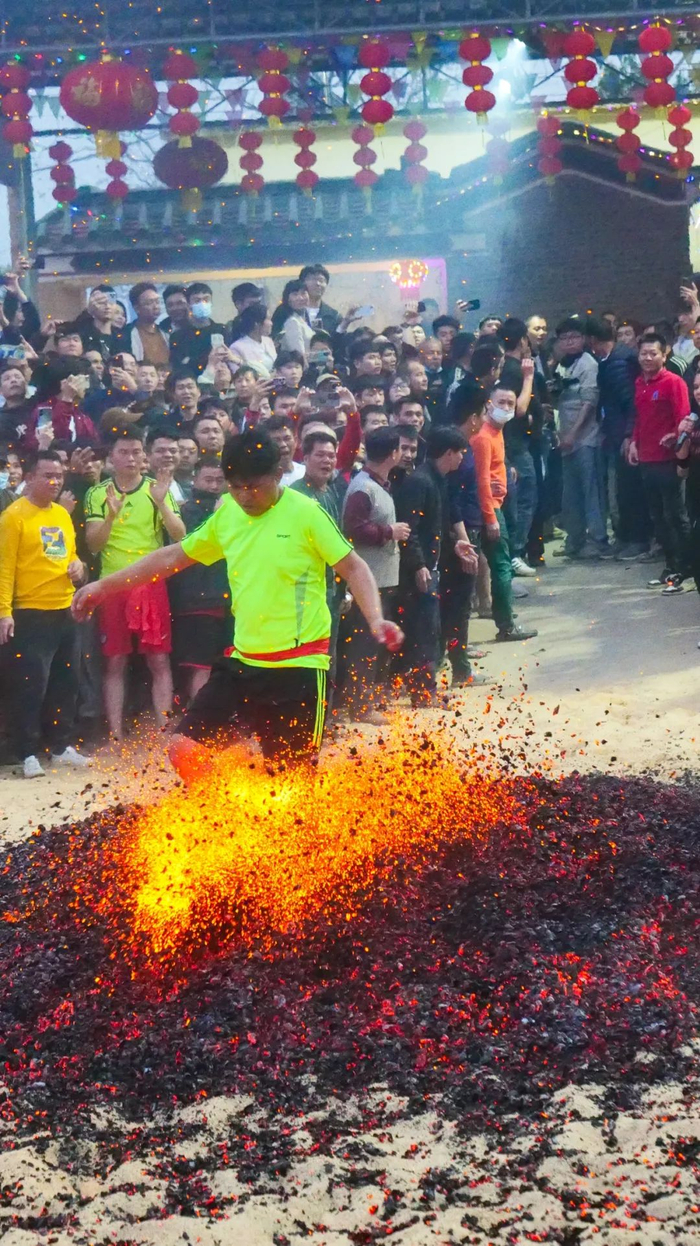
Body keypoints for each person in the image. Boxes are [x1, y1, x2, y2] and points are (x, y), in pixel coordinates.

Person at [73, 430, 401, 774]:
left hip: (299, 668)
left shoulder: (306, 513)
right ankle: (227, 817)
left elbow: (354, 567)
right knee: (184, 749)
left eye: (253, 486)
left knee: (291, 781)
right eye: (236, 486)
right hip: (243, 663)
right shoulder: (228, 513)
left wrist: (375, 619)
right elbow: (171, 557)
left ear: (277, 474)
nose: (244, 495)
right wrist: (103, 587)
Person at [84, 424, 185, 740]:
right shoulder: (99, 493)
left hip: (151, 583)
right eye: (123, 452)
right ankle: (115, 733)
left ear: (144, 456)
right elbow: (94, 546)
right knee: (114, 661)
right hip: (112, 585)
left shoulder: (159, 487)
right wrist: (111, 517)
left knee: (158, 659)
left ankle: (164, 731)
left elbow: (181, 537)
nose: (131, 458)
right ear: (111, 458)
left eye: (136, 452)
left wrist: (161, 503)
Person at [0, 450, 89, 778]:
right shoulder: (13, 517)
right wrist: (4, 612)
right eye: (47, 475)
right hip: (30, 613)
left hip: (64, 609)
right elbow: (4, 567)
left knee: (67, 682)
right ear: (30, 477)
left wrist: (78, 567)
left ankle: (61, 745)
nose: (54, 482)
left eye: (59, 476)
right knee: (30, 686)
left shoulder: (61, 515)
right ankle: (26, 751)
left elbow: (70, 553)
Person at [395, 426, 476, 705]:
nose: (462, 460)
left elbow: (438, 525)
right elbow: (411, 528)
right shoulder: (420, 482)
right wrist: (418, 564)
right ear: (449, 453)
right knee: (423, 632)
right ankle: (421, 691)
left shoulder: (439, 479)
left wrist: (455, 543)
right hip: (419, 570)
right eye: (460, 454)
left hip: (435, 564)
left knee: (432, 629)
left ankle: (426, 688)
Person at [340, 426, 410, 721]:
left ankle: (367, 697)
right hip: (368, 581)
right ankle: (359, 705)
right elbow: (352, 529)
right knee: (363, 644)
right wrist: (388, 532)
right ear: (393, 453)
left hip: (382, 577)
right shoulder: (362, 488)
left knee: (374, 643)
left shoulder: (378, 483)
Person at [470, 384, 537, 643]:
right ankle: (506, 624)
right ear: (489, 404)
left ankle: (504, 619)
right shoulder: (484, 438)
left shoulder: (496, 432)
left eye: (511, 403)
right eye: (502, 402)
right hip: (489, 509)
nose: (507, 408)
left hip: (496, 504)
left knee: (500, 565)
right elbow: (481, 481)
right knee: (501, 566)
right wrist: (490, 518)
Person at [629, 332, 691, 592]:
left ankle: (687, 571)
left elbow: (685, 418)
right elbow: (640, 419)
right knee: (658, 518)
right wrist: (634, 442)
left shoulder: (673, 382)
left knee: (676, 516)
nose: (647, 358)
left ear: (664, 355)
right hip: (647, 459)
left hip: (668, 459)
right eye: (644, 353)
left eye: (653, 353)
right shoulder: (639, 383)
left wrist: (675, 437)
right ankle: (670, 567)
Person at [169, 455, 230, 701]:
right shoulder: (187, 510)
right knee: (200, 666)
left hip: (227, 599)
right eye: (208, 479)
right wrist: (217, 517)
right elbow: (194, 546)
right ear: (195, 478)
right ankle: (197, 722)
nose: (214, 485)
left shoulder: (232, 506)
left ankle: (221, 722)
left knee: (224, 666)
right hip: (197, 601)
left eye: (219, 480)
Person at [587, 317, 649, 558]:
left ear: (592, 340)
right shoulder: (610, 361)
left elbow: (629, 402)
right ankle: (625, 537)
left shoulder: (619, 363)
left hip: (626, 436)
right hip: (614, 434)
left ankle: (638, 539)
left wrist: (627, 436)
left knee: (630, 489)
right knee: (621, 490)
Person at [444, 386, 489, 684]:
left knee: (462, 601)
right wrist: (462, 538)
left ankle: (459, 657)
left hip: (467, 527)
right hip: (462, 532)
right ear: (473, 417)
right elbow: (453, 500)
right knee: (459, 602)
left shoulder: (463, 444)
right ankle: (460, 668)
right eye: (483, 412)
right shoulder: (454, 447)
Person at [553, 316, 606, 560]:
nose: (569, 342)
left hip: (586, 439)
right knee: (570, 492)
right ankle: (575, 538)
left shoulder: (588, 364)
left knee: (590, 490)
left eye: (573, 337)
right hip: (565, 439)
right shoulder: (562, 364)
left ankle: (598, 539)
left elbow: (589, 403)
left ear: (584, 339)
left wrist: (573, 435)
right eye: (564, 338)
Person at [498, 318, 539, 577]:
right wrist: (529, 379)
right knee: (525, 497)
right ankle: (515, 552)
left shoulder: (505, 367)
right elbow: (519, 409)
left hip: (512, 442)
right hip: (514, 444)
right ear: (522, 340)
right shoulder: (515, 370)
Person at [24, 358, 97, 451]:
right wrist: (66, 399)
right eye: (83, 380)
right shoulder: (44, 411)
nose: (87, 386)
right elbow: (56, 440)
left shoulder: (80, 412)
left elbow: (93, 442)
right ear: (65, 382)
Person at [170, 283, 226, 376]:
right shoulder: (178, 336)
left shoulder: (221, 330)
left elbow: (224, 359)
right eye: (197, 301)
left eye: (206, 299)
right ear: (188, 305)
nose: (202, 304)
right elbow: (179, 366)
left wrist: (191, 360)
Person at [116, 282, 169, 366]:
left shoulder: (166, 331)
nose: (156, 307)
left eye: (157, 302)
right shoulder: (126, 334)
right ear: (137, 308)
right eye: (150, 303)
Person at [270, 279, 314, 360]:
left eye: (303, 293)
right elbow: (298, 354)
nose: (300, 298)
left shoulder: (303, 316)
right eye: (295, 294)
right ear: (287, 299)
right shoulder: (292, 322)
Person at [229, 304, 276, 378]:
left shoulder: (268, 341)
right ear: (256, 324)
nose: (271, 323)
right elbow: (240, 376)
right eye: (268, 319)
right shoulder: (236, 347)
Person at [74, 284, 118, 358]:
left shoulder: (121, 334)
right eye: (101, 303)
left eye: (111, 303)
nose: (107, 306)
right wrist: (88, 311)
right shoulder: (83, 334)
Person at [298, 263, 341, 334]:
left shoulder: (334, 316)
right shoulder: (290, 313)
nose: (317, 283)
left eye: (321, 280)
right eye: (312, 279)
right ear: (302, 283)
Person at [0, 363, 34, 448]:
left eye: (17, 377)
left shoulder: (37, 405)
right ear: (0, 390)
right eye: (7, 379)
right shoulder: (2, 418)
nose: (13, 380)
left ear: (26, 384)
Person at [265, 414, 305, 486]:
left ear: (296, 441)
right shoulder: (263, 480)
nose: (283, 444)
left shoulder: (306, 473)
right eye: (276, 440)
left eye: (287, 439)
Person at [224, 281, 265, 346]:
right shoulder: (231, 329)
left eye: (258, 303)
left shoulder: (264, 324)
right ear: (238, 304)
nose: (257, 307)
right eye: (252, 304)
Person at [167, 370, 201, 434]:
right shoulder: (168, 422)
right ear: (174, 394)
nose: (186, 392)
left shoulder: (207, 416)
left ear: (199, 391)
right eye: (181, 388)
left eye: (190, 387)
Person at [175, 434, 199, 500]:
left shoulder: (204, 484)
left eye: (191, 452)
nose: (186, 455)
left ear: (198, 457)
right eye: (180, 450)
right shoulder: (160, 483)